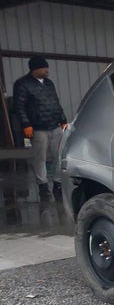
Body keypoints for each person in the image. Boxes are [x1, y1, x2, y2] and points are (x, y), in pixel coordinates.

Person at [13, 56, 67, 200]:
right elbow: (20, 107)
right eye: (44, 68)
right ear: (35, 69)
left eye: (47, 68)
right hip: (38, 128)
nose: (47, 70)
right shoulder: (22, 84)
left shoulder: (49, 84)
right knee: (40, 158)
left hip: (54, 125)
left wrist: (63, 120)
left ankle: (58, 183)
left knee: (59, 156)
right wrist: (26, 125)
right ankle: (43, 185)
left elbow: (56, 102)